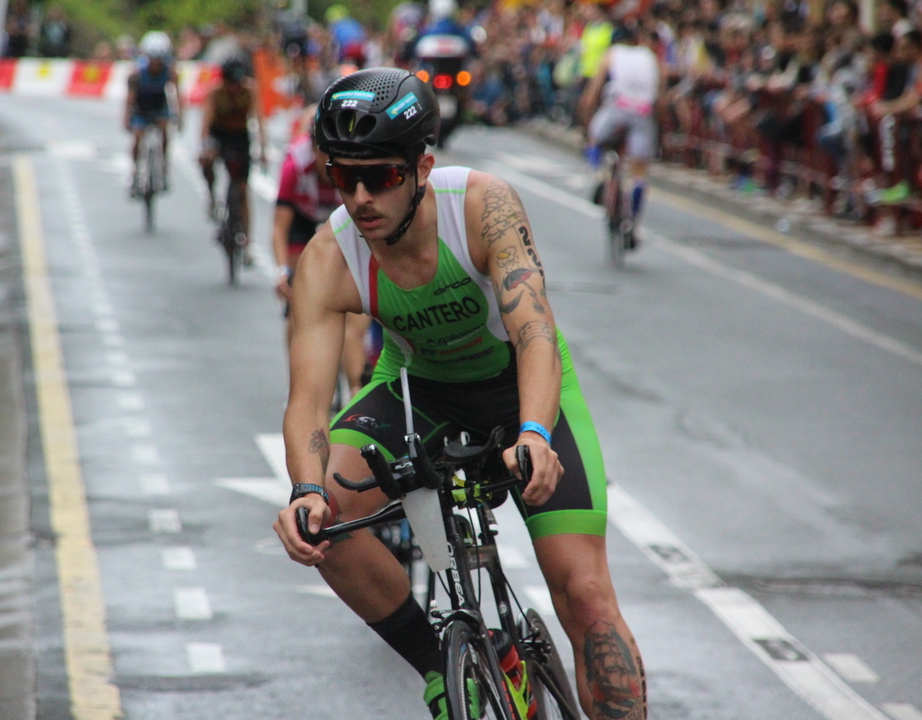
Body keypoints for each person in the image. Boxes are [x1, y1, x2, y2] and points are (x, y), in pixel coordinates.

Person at [273, 67, 647, 720]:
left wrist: (535, 434)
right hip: (422, 393)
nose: (359, 197)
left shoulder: (481, 206)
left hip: (521, 391)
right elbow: (307, 401)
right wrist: (305, 490)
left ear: (423, 167)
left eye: (381, 176)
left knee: (587, 596)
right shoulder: (330, 257)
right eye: (342, 176)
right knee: (326, 515)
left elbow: (535, 334)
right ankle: (442, 672)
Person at [272, 108, 372, 396]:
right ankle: (299, 384)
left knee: (355, 314)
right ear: (312, 148)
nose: (329, 163)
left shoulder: (354, 169)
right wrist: (283, 271)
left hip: (344, 220)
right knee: (297, 297)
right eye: (323, 155)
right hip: (304, 219)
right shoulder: (294, 165)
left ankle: (356, 393)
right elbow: (279, 228)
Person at [581, 22, 666, 248]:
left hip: (617, 108)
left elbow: (591, 95)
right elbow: (661, 98)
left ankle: (599, 176)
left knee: (595, 139)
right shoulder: (651, 57)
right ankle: (632, 224)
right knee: (639, 174)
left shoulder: (612, 54)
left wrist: (587, 124)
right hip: (644, 112)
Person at [199, 55, 267, 255]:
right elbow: (205, 125)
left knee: (243, 188)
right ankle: (211, 193)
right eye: (230, 83)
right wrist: (206, 147)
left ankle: (247, 242)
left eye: (238, 83)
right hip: (219, 134)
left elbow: (260, 121)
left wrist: (263, 148)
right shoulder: (215, 93)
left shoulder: (250, 91)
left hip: (239, 136)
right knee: (206, 160)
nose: (234, 88)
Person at [124, 31, 180, 196]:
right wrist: (126, 119)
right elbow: (129, 100)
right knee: (137, 136)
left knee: (164, 130)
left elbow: (178, 96)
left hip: (159, 104)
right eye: (153, 59)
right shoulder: (136, 74)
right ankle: (135, 171)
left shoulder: (170, 72)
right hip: (141, 106)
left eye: (160, 59)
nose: (156, 63)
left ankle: (163, 167)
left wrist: (179, 115)